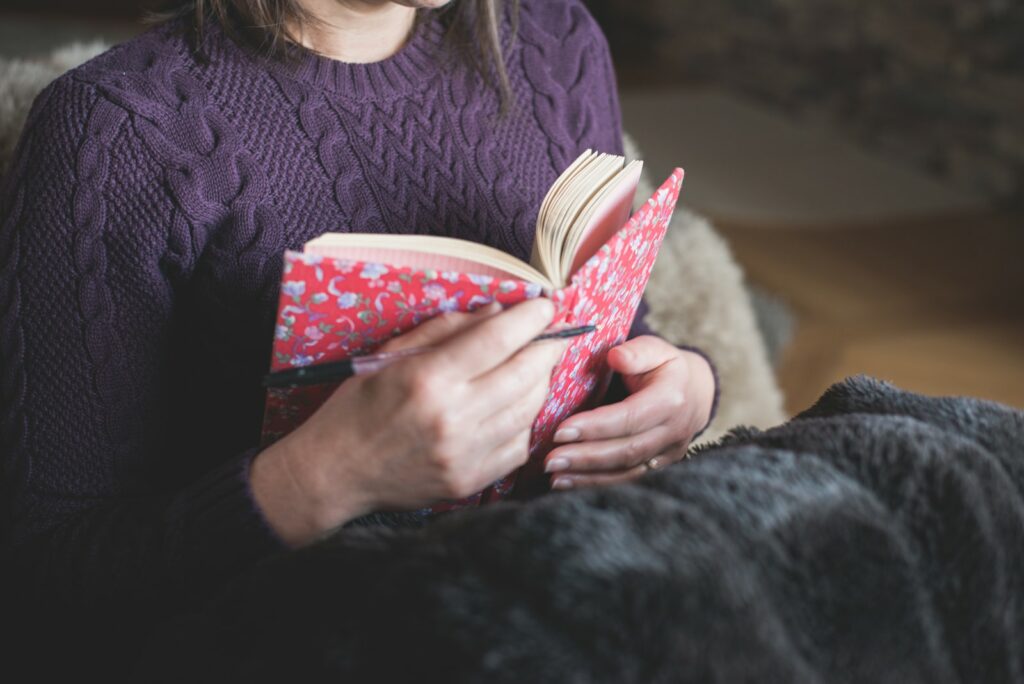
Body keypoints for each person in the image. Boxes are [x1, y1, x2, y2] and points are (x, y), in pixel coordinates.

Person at [0, 0, 716, 677]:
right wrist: (328, 476)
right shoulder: (117, 128)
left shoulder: (556, 39)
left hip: (564, 585)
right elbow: (44, 582)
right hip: (298, 631)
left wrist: (682, 390)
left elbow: (619, 326)